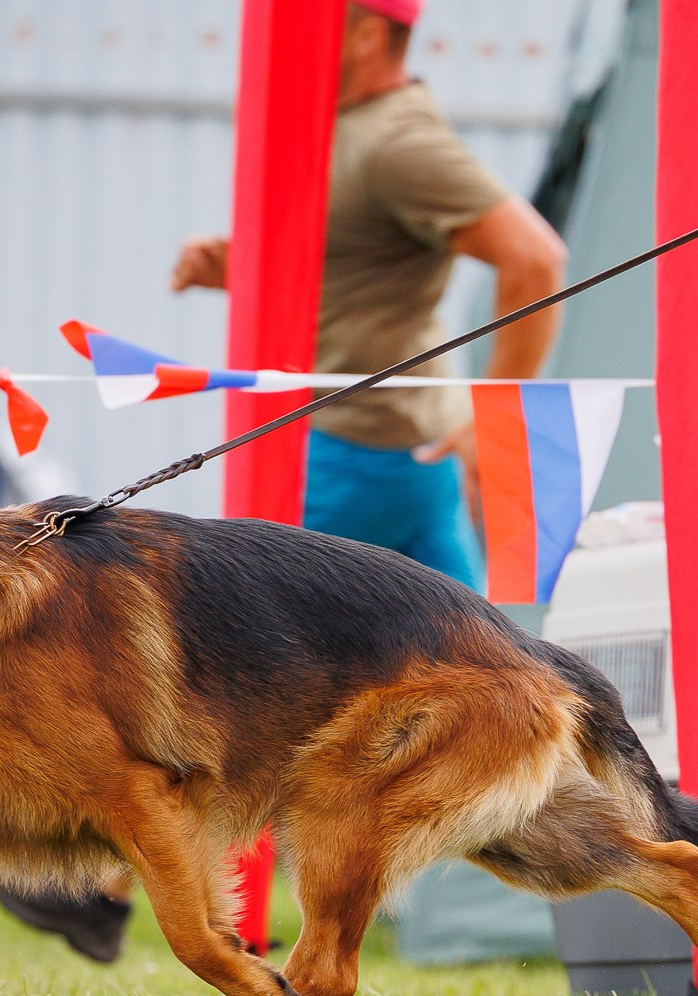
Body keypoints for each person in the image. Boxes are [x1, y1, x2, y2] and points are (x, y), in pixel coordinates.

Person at [172, 0, 567, 588]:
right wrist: (239, 266)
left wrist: (499, 416)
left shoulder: (398, 143)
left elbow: (535, 259)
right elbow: (359, 257)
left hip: (352, 449)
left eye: (312, 29)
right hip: (409, 449)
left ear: (368, 37)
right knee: (464, 636)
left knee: (245, 625)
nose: (292, 50)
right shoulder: (353, 126)